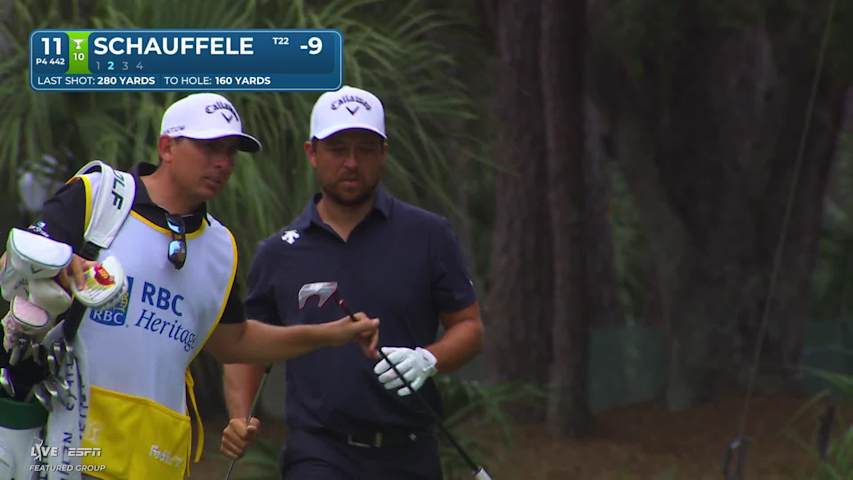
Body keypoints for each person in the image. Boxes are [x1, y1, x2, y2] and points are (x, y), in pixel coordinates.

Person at [0, 93, 379, 480]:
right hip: (65, 445)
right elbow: (15, 263)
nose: (223, 163)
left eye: (230, 152)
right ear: (167, 146)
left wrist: (333, 334)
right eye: (209, 148)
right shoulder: (100, 195)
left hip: (154, 458)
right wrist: (65, 265)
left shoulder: (221, 248)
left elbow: (234, 342)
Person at [220, 85, 484, 479]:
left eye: (365, 149)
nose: (351, 162)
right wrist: (240, 416)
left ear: (384, 153)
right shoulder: (279, 253)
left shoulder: (428, 235)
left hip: (410, 450)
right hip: (319, 451)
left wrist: (429, 359)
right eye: (338, 148)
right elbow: (245, 345)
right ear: (312, 153)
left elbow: (468, 326)